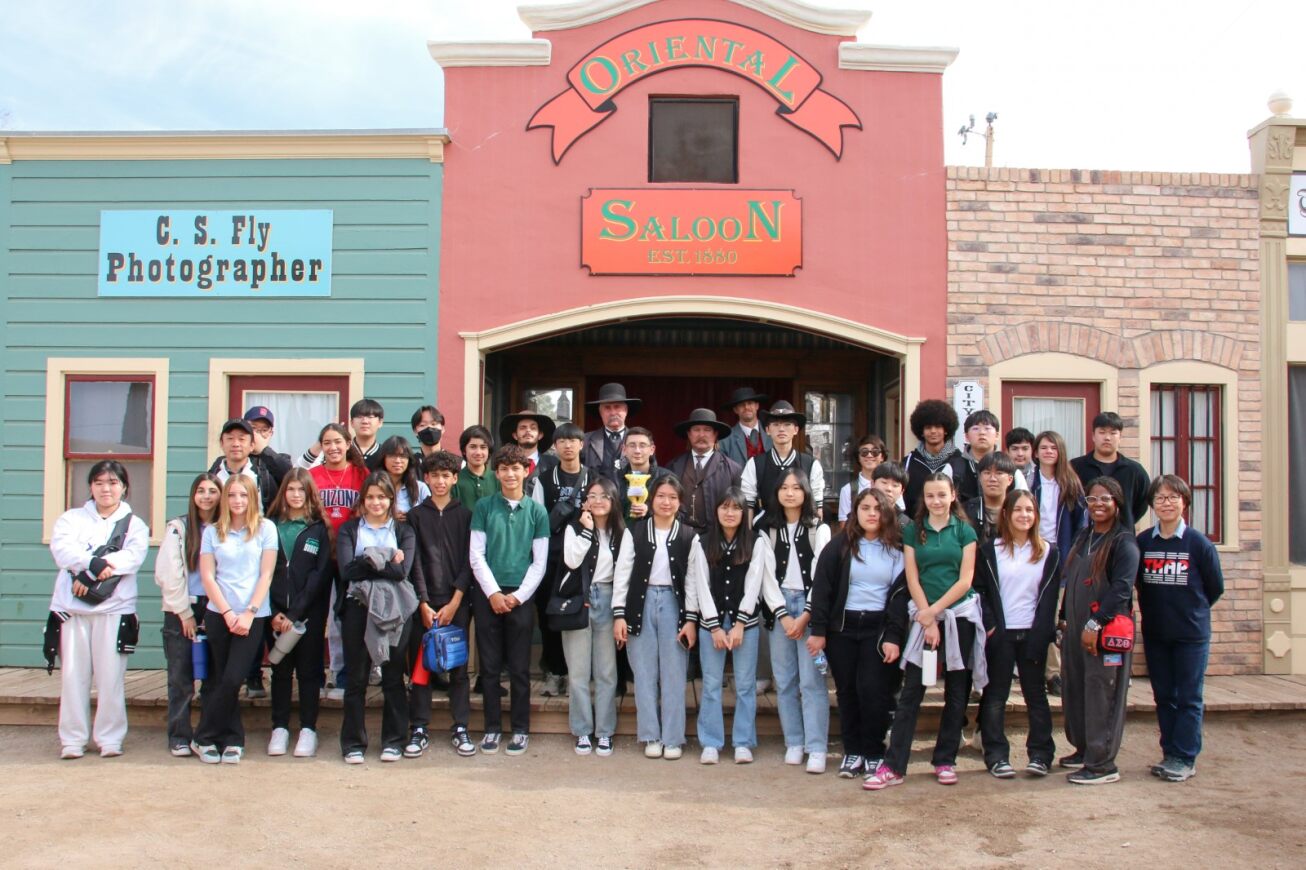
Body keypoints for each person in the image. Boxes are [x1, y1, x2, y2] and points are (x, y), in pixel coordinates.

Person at [864, 472, 985, 790]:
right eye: (930, 495)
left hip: (958, 620)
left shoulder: (965, 532)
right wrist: (928, 619)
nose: (936, 501)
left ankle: (945, 759)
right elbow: (913, 579)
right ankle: (894, 766)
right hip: (924, 623)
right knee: (913, 691)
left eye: (942, 495)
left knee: (956, 694)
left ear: (953, 495)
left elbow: (965, 580)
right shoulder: (914, 532)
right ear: (924, 499)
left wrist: (935, 612)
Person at [48, 460, 150, 760]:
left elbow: (132, 557)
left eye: (113, 482)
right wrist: (91, 564)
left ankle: (110, 738)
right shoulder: (71, 518)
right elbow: (62, 550)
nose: (107, 488)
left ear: (124, 487)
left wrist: (91, 572)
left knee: (111, 677)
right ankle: (73, 739)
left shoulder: (135, 524)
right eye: (100, 482)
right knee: (73, 675)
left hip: (115, 609)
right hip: (73, 609)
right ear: (91, 486)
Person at [807, 488, 906, 779]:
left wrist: (894, 636)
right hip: (843, 629)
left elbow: (901, 597)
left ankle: (874, 752)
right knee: (847, 690)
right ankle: (853, 752)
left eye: (877, 508)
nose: (871, 513)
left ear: (886, 513)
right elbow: (822, 590)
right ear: (855, 512)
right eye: (865, 507)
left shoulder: (897, 549)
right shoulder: (839, 546)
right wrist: (819, 630)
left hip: (878, 629)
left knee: (873, 691)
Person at [613, 475, 710, 760]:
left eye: (672, 497)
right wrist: (619, 614)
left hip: (674, 605)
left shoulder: (689, 536)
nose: (666, 502)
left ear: (680, 503)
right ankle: (650, 735)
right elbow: (623, 573)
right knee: (643, 674)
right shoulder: (637, 532)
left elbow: (693, 580)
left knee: (674, 674)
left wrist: (690, 619)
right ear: (650, 499)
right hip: (640, 604)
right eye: (661, 496)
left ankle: (673, 737)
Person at [1136, 474, 1224, 782]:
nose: (1166, 503)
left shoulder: (1198, 543)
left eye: (1173, 497)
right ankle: (1169, 752)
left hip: (1191, 635)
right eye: (1160, 498)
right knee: (1163, 696)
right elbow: (1138, 585)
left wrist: (1190, 613)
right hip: (1156, 634)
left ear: (1184, 502)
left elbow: (1215, 588)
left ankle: (1186, 757)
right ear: (1152, 505)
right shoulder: (1144, 542)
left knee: (1189, 696)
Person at [1058, 476, 1141, 785]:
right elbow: (1073, 581)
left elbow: (1121, 589)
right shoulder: (1084, 536)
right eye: (1092, 500)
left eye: (1105, 499)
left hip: (1104, 632)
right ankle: (1083, 750)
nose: (1098, 505)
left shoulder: (1124, 542)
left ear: (1117, 503)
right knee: (1076, 689)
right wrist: (1064, 618)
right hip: (1076, 630)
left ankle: (1102, 763)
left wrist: (1096, 623)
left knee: (1101, 693)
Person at [975, 489, 1062, 778]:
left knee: (1035, 696)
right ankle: (997, 755)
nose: (1024, 515)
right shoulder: (991, 550)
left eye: (1029, 510)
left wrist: (1043, 632)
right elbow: (982, 592)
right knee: (995, 696)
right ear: (1006, 515)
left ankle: (1040, 755)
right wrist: (991, 626)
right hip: (1001, 634)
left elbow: (1049, 598)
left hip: (1033, 634)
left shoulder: (1048, 551)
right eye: (1018, 510)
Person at [470, 444, 551, 756]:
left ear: (526, 471)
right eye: (504, 468)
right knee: (489, 668)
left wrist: (516, 597)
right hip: (488, 594)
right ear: (497, 472)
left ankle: (520, 728)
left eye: (516, 468)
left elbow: (539, 561)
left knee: (519, 668)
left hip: (521, 595)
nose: (510, 474)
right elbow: (476, 554)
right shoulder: (484, 507)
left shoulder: (537, 511)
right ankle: (491, 728)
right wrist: (493, 593)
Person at [193, 475, 278, 764]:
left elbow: (266, 574)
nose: (237, 501)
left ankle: (203, 736)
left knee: (233, 678)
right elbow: (207, 575)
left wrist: (248, 612)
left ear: (252, 497)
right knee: (219, 678)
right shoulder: (213, 532)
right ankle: (232, 739)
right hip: (220, 614)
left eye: (243, 495)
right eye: (232, 495)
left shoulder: (266, 529)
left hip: (252, 615)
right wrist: (227, 613)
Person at [337, 472, 419, 763]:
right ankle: (353, 743)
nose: (376, 502)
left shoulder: (403, 531)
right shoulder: (349, 530)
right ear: (362, 500)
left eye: (382, 497)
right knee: (357, 678)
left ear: (390, 500)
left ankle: (394, 740)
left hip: (396, 611)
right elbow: (346, 571)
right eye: (370, 497)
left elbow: (402, 572)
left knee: (394, 676)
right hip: (358, 608)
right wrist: (385, 557)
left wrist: (368, 560)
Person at [756, 469, 832, 773]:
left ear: (806, 493)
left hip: (810, 608)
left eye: (796, 488)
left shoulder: (819, 529)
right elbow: (765, 576)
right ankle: (795, 742)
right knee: (785, 681)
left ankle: (817, 746)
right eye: (784, 488)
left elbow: (823, 576)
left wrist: (806, 615)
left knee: (812, 681)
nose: (790, 493)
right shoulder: (767, 529)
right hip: (780, 609)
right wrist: (783, 614)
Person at [405, 451, 476, 759]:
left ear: (454, 478)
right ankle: (419, 727)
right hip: (424, 603)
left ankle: (460, 726)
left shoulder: (466, 515)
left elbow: (469, 560)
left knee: (457, 665)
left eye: (446, 476)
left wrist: (456, 599)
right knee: (421, 667)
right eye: (434, 476)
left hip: (457, 602)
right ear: (426, 479)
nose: (440, 481)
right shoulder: (416, 516)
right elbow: (414, 561)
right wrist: (423, 602)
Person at [557, 477, 626, 757]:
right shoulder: (573, 528)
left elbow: (624, 573)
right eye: (593, 496)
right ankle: (583, 730)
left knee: (607, 671)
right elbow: (571, 561)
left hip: (608, 599)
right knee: (578, 672)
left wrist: (621, 611)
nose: (598, 501)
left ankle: (605, 731)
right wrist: (586, 531)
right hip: (579, 600)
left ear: (613, 501)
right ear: (585, 502)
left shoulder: (620, 532)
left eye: (605, 496)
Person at [265, 469, 332, 758]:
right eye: (290, 489)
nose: (295, 495)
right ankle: (279, 727)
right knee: (280, 670)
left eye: (300, 490)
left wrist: (296, 613)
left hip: (308, 615)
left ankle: (308, 728)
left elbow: (320, 575)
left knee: (308, 671)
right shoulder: (269, 527)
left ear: (309, 494)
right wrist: (275, 612)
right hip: (274, 613)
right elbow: (261, 571)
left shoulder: (317, 529)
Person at [154, 472, 221, 756]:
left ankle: (208, 733)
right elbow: (168, 573)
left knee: (214, 676)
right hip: (183, 608)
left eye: (212, 491)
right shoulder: (179, 528)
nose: (206, 496)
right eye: (201, 490)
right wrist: (183, 612)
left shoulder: (226, 528)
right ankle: (179, 734)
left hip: (216, 606)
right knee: (181, 676)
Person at [696, 487, 762, 765]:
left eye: (736, 508)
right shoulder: (702, 541)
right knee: (711, 684)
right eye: (725, 507)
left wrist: (739, 625)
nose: (730, 513)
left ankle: (743, 741)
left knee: (745, 684)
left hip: (744, 622)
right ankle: (711, 741)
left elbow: (755, 583)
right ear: (716, 511)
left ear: (743, 512)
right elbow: (700, 584)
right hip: (711, 622)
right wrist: (714, 626)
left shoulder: (756, 542)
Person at [308, 423, 369, 700]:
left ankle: (344, 675)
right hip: (319, 555)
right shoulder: (312, 476)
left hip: (350, 555)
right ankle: (319, 676)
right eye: (327, 442)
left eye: (337, 442)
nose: (333, 448)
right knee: (318, 615)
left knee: (345, 617)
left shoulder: (360, 473)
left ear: (348, 444)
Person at [531, 422, 590, 696]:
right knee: (550, 617)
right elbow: (536, 521)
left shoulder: (594, 478)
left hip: (584, 560)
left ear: (582, 444)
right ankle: (554, 672)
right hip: (551, 561)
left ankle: (578, 675)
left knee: (581, 616)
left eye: (573, 440)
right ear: (554, 446)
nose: (568, 446)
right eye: (562, 441)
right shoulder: (543, 480)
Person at [1031, 430, 1087, 696]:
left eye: (1053, 447)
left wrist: (1071, 557)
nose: (1048, 452)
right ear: (1036, 451)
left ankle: (1053, 673)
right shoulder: (1028, 480)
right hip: (1031, 553)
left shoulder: (1071, 483)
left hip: (1060, 556)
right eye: (1043, 447)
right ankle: (1030, 667)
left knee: (1052, 616)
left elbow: (1081, 526)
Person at [740, 400, 825, 525]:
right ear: (768, 430)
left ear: (796, 430)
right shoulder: (755, 464)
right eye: (775, 424)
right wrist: (749, 539)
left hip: (802, 530)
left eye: (787, 424)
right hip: (766, 530)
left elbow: (817, 507)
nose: (781, 429)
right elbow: (748, 505)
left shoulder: (811, 464)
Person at [665, 408, 742, 531]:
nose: (701, 435)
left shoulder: (733, 470)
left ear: (715, 434)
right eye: (696, 430)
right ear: (689, 434)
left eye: (707, 430)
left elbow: (739, 509)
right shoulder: (673, 466)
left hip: (716, 538)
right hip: (680, 535)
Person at [1070, 412, 1150, 529]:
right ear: (1093, 436)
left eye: (1113, 433)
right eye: (1102, 432)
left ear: (1120, 437)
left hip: (1122, 536)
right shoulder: (1075, 467)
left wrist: (1125, 518)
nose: (1107, 438)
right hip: (1084, 536)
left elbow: (1142, 503)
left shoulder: (1134, 470)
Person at [900, 399, 968, 518]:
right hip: (915, 526)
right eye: (928, 427)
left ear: (946, 430)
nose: (933, 431)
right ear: (921, 431)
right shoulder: (908, 462)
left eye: (937, 426)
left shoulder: (960, 461)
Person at [208, 417, 287, 513]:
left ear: (252, 445)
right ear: (222, 443)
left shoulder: (262, 478)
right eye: (230, 438)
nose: (236, 444)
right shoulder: (213, 477)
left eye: (242, 439)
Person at [957, 410, 1027, 505]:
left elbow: (1023, 503)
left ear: (997, 435)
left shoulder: (1011, 470)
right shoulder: (953, 467)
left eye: (987, 428)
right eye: (976, 428)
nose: (982, 433)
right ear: (966, 436)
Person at [300, 398, 386, 471]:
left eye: (370, 417)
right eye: (359, 417)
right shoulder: (337, 450)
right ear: (351, 422)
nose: (365, 421)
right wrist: (327, 436)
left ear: (380, 422)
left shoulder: (385, 453)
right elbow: (301, 468)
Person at [583, 382, 641, 484]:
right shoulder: (585, 441)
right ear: (600, 412)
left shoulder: (641, 441)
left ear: (626, 410)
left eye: (617, 406)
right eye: (607, 408)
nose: (613, 412)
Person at [616, 426, 670, 522]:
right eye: (632, 445)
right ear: (624, 450)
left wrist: (650, 510)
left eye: (642, 445)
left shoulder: (666, 478)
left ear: (652, 450)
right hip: (623, 534)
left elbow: (680, 513)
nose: (637, 451)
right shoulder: (615, 478)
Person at [498, 409, 558, 495]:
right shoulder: (504, 463)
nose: (528, 431)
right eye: (523, 428)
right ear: (515, 435)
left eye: (533, 428)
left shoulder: (553, 464)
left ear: (540, 435)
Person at [965, 451, 1018, 546]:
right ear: (980, 478)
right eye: (987, 473)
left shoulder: (1017, 510)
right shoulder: (966, 511)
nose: (992, 479)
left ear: (1010, 479)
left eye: (999, 473)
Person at [379, 435, 430, 521]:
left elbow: (432, 517)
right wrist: (387, 516)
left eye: (402, 456)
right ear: (383, 458)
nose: (398, 461)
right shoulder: (373, 486)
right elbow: (361, 513)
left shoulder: (420, 488)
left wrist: (412, 516)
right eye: (392, 456)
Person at [719, 386, 772, 468]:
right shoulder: (725, 440)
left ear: (757, 406)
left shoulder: (772, 434)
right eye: (741, 405)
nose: (746, 407)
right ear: (735, 410)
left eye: (750, 403)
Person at [837, 434, 886, 522]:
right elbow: (844, 527)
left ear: (882, 457)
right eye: (864, 452)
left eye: (875, 452)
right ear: (858, 457)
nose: (870, 455)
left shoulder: (891, 486)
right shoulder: (848, 490)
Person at [452, 424, 498, 509]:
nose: (478, 452)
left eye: (483, 447)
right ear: (464, 450)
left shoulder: (498, 478)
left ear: (489, 451)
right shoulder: (455, 480)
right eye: (473, 447)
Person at [871, 461, 910, 527]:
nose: (889, 488)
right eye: (884, 482)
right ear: (872, 484)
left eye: (895, 485)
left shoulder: (907, 525)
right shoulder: (859, 518)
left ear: (902, 491)